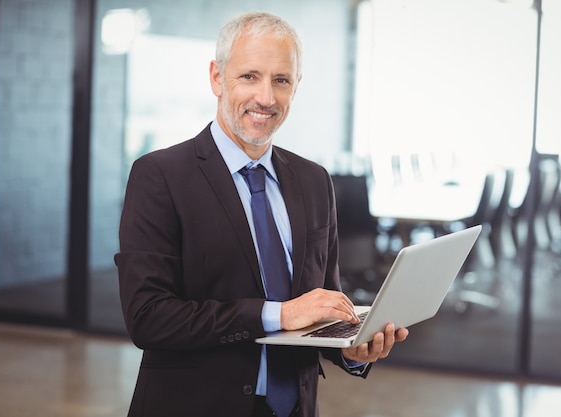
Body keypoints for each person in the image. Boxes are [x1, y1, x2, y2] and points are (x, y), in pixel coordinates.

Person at [115, 11, 409, 417]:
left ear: (296, 86)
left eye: (281, 80)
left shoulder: (315, 181)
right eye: (249, 76)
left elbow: (321, 303)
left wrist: (352, 349)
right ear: (217, 78)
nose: (266, 98)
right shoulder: (159, 176)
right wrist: (280, 314)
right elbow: (149, 318)